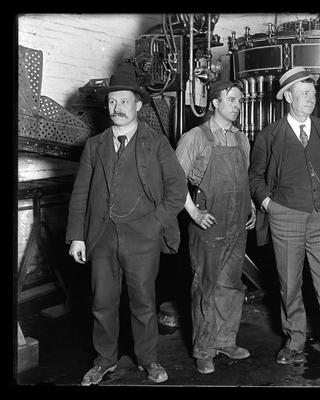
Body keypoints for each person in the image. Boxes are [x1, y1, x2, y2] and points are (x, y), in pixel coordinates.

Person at [66, 62, 188, 385]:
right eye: (112, 102)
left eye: (124, 101)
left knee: (143, 303)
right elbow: (80, 194)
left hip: (142, 237)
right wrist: (77, 237)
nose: (117, 108)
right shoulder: (95, 146)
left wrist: (154, 223)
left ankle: (148, 359)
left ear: (138, 104)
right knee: (102, 302)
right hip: (102, 236)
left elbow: (178, 190)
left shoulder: (156, 143)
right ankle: (104, 359)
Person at [249, 67, 320, 386]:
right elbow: (256, 177)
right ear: (287, 96)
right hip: (285, 217)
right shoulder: (269, 135)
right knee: (289, 285)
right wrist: (269, 205)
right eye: (304, 92)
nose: (312, 98)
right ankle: (295, 340)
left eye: (313, 92)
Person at [175, 80, 256, 374]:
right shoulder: (195, 138)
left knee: (231, 284)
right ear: (214, 103)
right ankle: (204, 348)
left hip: (237, 223)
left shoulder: (241, 139)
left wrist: (250, 207)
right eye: (232, 100)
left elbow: (244, 178)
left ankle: (225, 339)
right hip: (208, 222)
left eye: (239, 100)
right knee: (206, 285)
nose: (237, 105)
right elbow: (174, 181)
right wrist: (194, 212)